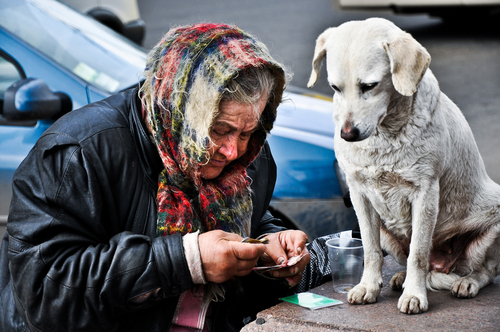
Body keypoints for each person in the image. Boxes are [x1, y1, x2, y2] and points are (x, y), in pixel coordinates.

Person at [0, 23, 310, 332]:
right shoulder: (78, 153)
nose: (232, 151)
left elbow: (249, 219)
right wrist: (188, 260)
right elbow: (45, 294)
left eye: (247, 132)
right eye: (219, 130)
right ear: (175, 112)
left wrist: (268, 246)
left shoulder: (248, 155)